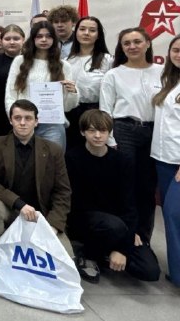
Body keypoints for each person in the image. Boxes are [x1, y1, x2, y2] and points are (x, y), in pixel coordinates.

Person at [67, 109, 160, 283]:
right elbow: (76, 204)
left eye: (102, 131)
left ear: (109, 133)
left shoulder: (122, 161)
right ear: (82, 132)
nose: (97, 136)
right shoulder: (72, 158)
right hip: (86, 221)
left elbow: (129, 204)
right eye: (92, 130)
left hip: (119, 225)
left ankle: (105, 254)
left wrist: (123, 247)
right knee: (113, 226)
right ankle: (88, 252)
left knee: (149, 270)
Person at [0, 99, 73, 257]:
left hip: (41, 216)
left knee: (67, 258)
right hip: (10, 209)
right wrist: (19, 204)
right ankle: (1, 254)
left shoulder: (53, 150)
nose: (22, 123)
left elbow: (63, 191)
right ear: (10, 120)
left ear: (36, 121)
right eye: (17, 118)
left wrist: (53, 226)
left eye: (28, 118)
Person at [99, 27, 162, 242]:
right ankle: (125, 236)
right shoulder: (114, 74)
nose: (132, 46)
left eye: (137, 42)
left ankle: (143, 238)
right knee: (126, 185)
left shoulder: (162, 71)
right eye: (127, 43)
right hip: (124, 130)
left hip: (154, 132)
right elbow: (105, 109)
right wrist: (110, 140)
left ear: (147, 43)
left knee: (147, 187)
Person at [5, 21, 78, 151]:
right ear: (33, 39)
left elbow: (67, 107)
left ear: (54, 39)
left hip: (52, 124)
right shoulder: (19, 61)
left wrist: (72, 93)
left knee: (52, 161)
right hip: (24, 121)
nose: (44, 39)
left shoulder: (64, 66)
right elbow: (10, 95)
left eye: (48, 36)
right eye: (39, 36)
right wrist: (15, 119)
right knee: (23, 161)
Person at [151, 35, 180, 286]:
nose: (179, 55)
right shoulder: (169, 81)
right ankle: (176, 270)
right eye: (176, 50)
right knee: (171, 216)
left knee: (173, 214)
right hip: (163, 158)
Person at [66, 16, 113, 149]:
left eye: (92, 30)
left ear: (98, 35)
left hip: (96, 113)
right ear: (76, 32)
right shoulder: (66, 61)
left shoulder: (107, 60)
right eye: (82, 29)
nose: (86, 33)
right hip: (71, 113)